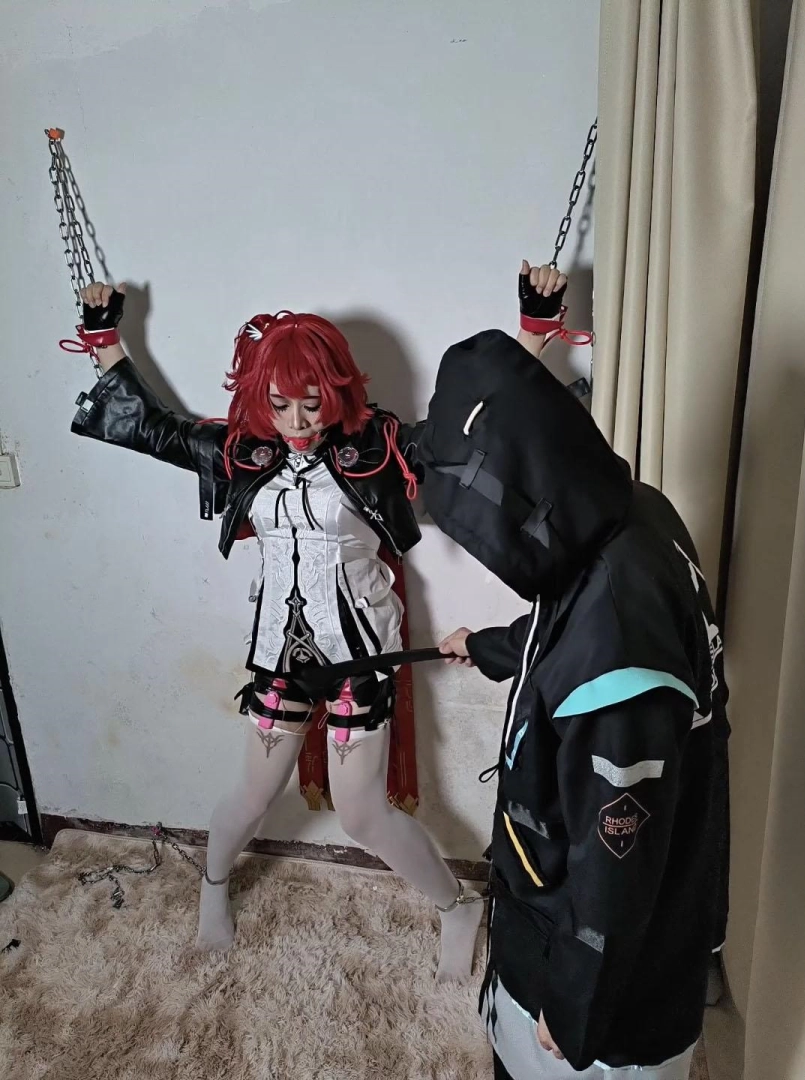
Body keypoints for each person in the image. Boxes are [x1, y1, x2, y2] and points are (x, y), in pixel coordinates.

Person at [70, 283, 534, 979]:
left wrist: (533, 332)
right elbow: (156, 429)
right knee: (252, 794)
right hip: (279, 654)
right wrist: (104, 339)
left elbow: (472, 429)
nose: (295, 421)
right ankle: (213, 887)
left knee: (363, 816)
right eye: (279, 404)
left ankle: (455, 906)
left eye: (311, 403)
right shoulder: (246, 453)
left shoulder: (378, 447)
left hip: (358, 655)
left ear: (336, 391)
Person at [426, 270, 730, 1078]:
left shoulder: (621, 664)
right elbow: (570, 620)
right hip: (568, 907)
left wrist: (574, 1006)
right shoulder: (633, 511)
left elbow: (615, 865)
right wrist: (492, 646)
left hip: (603, 992)